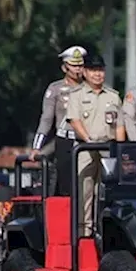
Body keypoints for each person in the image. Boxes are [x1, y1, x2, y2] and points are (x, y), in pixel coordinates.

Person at [65, 54, 122, 237]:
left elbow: (119, 125)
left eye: (101, 70)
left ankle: (105, 230)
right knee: (85, 190)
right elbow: (75, 121)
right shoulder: (77, 95)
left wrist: (121, 149)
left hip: (108, 149)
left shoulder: (113, 96)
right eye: (93, 70)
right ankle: (84, 232)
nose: (98, 75)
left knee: (107, 191)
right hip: (85, 148)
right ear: (85, 72)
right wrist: (88, 140)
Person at [31, 45, 86, 196]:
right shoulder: (55, 89)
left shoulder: (88, 88)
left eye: (80, 65)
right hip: (64, 140)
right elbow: (46, 119)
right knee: (65, 185)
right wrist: (37, 147)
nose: (77, 69)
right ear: (64, 68)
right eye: (73, 66)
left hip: (86, 140)